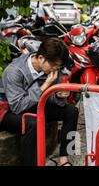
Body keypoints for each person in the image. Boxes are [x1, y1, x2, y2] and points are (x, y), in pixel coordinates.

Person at [0, 37, 79, 166]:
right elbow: (17, 107)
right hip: (7, 110)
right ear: (41, 58)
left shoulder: (52, 68)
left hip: (33, 104)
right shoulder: (14, 71)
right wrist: (45, 86)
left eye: (58, 66)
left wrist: (59, 96)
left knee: (71, 111)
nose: (55, 69)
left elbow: (54, 101)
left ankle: (64, 158)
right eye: (54, 65)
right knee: (34, 123)